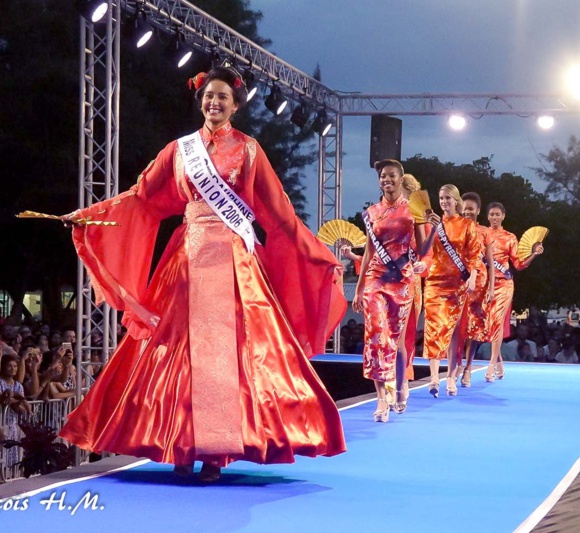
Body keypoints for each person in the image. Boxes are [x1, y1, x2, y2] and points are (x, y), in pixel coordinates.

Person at [57, 65, 347, 482]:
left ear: (235, 106)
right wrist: (90, 216)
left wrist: (314, 252)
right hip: (187, 259)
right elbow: (143, 197)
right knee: (178, 353)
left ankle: (216, 452)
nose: (214, 102)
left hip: (233, 260)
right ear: (201, 101)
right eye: (209, 96)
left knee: (236, 354)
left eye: (223, 98)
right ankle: (180, 444)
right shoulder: (179, 150)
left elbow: (278, 213)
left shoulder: (249, 150)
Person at [352, 161, 430, 422]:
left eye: (391, 175)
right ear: (379, 180)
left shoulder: (414, 210)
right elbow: (368, 253)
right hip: (376, 279)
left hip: (402, 280)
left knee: (395, 342)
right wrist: (360, 286)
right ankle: (381, 398)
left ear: (400, 179)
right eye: (383, 176)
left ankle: (399, 386)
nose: (387, 179)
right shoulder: (372, 212)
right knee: (376, 335)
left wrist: (424, 261)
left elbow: (424, 249)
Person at [420, 184, 481, 397]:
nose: (444, 202)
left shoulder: (466, 224)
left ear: (456, 200)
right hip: (435, 281)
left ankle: (451, 377)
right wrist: (432, 229)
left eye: (448, 198)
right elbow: (423, 250)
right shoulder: (435, 223)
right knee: (434, 328)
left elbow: (474, 253)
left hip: (457, 284)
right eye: (441, 198)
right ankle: (434, 378)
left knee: (453, 332)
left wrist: (472, 277)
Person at [483, 202, 543, 381]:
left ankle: (491, 364)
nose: (494, 217)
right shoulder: (481, 235)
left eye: (497, 214)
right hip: (486, 284)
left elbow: (518, 264)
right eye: (491, 214)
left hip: (505, 285)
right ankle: (500, 362)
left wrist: (533, 254)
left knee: (498, 321)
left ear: (503, 216)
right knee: (490, 323)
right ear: (487, 217)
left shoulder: (510, 237)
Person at [455, 191, 494, 387]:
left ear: (478, 210)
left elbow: (490, 262)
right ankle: (456, 366)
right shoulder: (454, 228)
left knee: (473, 329)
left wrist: (491, 287)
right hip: (458, 280)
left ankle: (468, 368)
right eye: (465, 208)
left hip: (478, 282)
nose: (468, 212)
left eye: (471, 209)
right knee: (456, 327)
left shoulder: (485, 232)